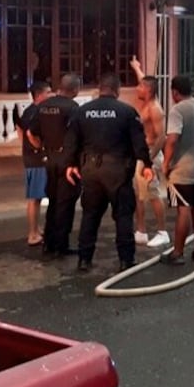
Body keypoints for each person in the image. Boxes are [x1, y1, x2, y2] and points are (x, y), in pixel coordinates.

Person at [65, 73, 152, 272]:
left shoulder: (82, 112)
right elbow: (139, 142)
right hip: (118, 171)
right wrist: (146, 164)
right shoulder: (127, 112)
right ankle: (125, 260)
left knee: (90, 215)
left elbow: (71, 142)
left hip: (91, 171)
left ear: (100, 88)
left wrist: (70, 165)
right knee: (122, 216)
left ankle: (84, 259)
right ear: (117, 90)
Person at [160, 75, 194, 266]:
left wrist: (166, 164)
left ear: (174, 92)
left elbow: (172, 139)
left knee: (183, 209)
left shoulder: (177, 110)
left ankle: (178, 252)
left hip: (181, 171)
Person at [32, 73, 83, 259]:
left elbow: (33, 132)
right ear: (76, 90)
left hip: (49, 157)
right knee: (65, 203)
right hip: (66, 160)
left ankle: (49, 243)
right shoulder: (73, 108)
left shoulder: (44, 105)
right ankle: (61, 244)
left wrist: (42, 149)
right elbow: (77, 137)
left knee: (53, 200)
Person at [129, 58, 170, 250]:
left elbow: (161, 137)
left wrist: (149, 160)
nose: (137, 89)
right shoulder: (147, 102)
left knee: (153, 194)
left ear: (148, 91)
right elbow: (144, 79)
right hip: (141, 156)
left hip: (150, 156)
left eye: (140, 87)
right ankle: (141, 230)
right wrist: (137, 67)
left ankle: (163, 232)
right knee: (139, 195)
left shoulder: (155, 109)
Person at [14, 80, 52, 247]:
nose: (50, 96)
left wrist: (26, 147)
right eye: (48, 93)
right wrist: (38, 147)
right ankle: (32, 234)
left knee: (34, 197)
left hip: (30, 158)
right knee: (34, 198)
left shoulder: (28, 111)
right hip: (36, 160)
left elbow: (20, 128)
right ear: (39, 95)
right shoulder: (38, 112)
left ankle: (36, 229)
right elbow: (30, 133)